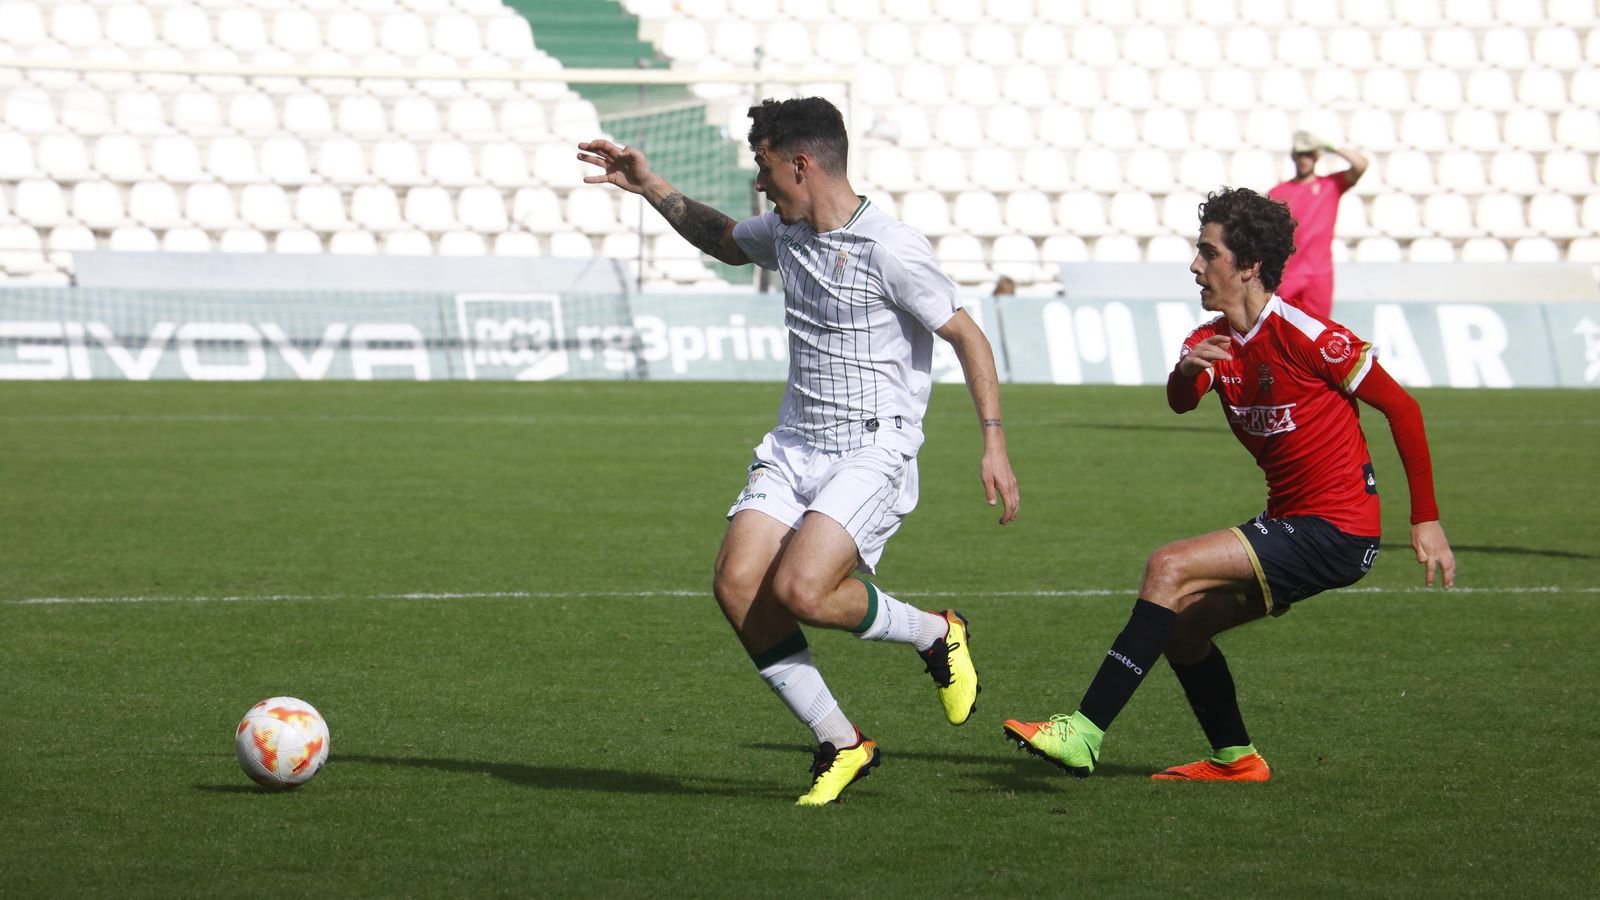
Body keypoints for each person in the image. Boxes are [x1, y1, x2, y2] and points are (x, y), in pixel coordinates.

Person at [577, 97, 1020, 805]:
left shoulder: (891, 247)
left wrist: (993, 444)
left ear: (801, 164)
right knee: (736, 584)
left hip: (872, 448)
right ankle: (841, 742)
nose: (759, 182)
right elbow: (724, 239)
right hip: (795, 443)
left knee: (802, 592)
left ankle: (936, 633)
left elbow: (967, 336)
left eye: (763, 165)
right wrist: (650, 185)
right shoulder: (785, 230)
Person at [1003, 187, 1454, 783]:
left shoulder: (1311, 336)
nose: (1195, 265)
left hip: (1335, 528)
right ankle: (1236, 758)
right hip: (1299, 526)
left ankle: (1082, 733)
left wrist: (1424, 518)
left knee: (1168, 566)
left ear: (1248, 266)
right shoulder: (1209, 341)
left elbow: (1404, 410)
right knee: (1183, 629)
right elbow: (1180, 401)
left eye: (1207, 253)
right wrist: (1187, 374)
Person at [1268, 130, 1369, 319]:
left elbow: (1361, 164)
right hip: (1287, 274)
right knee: (1282, 333)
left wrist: (1330, 145)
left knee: (1317, 335)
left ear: (1317, 156)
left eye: (1309, 154)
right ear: (1293, 157)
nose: (1304, 159)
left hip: (1318, 274)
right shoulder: (1278, 192)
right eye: (1300, 154)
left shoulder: (1330, 185)